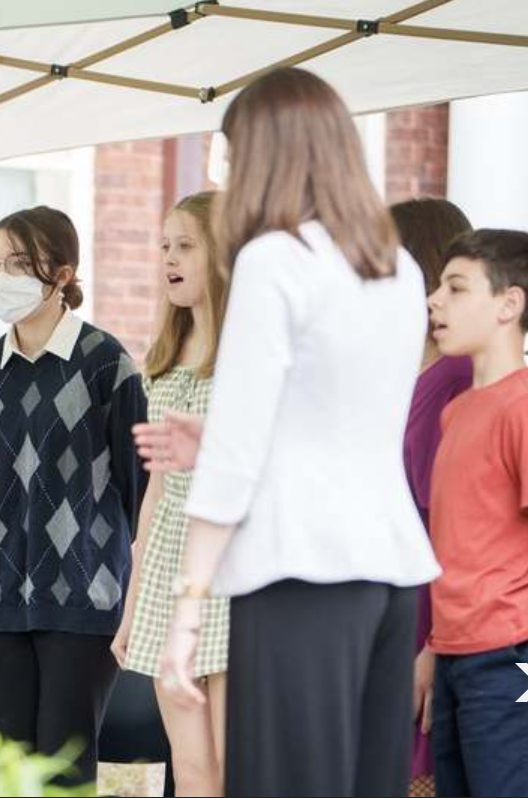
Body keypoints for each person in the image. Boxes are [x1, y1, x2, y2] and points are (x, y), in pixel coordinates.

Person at [135, 67, 440, 796]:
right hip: (389, 574)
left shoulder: (275, 260)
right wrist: (213, 443)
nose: (228, 173)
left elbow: (239, 459)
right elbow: (337, 421)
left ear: (265, 156)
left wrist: (184, 616)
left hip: (301, 573)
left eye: (232, 155)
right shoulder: (392, 265)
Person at [0, 205, 148, 791]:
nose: (1, 276)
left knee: (64, 775)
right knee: (13, 775)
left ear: (63, 273)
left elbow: (137, 488)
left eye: (19, 262)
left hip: (84, 599)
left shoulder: (106, 363)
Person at [426, 229, 528, 797]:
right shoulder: (457, 411)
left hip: (518, 661)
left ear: (509, 304)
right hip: (455, 656)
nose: (435, 299)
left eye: (456, 288)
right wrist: (434, 648)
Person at [113, 191, 230, 796]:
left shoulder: (249, 356)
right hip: (167, 571)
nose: (169, 259)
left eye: (185, 245)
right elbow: (155, 493)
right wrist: (133, 605)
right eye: (164, 246)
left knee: (239, 768)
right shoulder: (161, 361)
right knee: (190, 772)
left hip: (232, 570)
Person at [388, 197, 474, 797]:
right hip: (394, 613)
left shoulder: (455, 379)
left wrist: (431, 647)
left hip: (434, 619)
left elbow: (459, 529)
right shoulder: (407, 375)